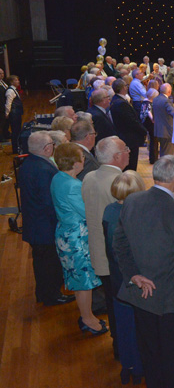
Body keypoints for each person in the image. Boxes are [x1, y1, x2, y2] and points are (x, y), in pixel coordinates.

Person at [113, 156, 174, 388]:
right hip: (171, 299)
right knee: (173, 354)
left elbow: (119, 243)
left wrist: (133, 275)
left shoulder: (132, 201)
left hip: (141, 295)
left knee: (150, 350)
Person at [50, 143, 108, 335]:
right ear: (75, 163)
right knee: (84, 282)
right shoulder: (73, 186)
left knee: (77, 279)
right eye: (82, 158)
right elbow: (87, 213)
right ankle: (87, 318)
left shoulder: (59, 178)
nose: (84, 160)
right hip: (77, 239)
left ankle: (87, 315)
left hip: (66, 234)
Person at [82, 136, 130, 354]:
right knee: (125, 305)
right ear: (117, 156)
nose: (129, 151)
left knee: (112, 303)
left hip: (98, 252)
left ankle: (118, 342)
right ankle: (126, 349)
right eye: (125, 148)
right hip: (118, 257)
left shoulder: (90, 177)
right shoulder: (122, 183)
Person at [102, 170, 146, 385]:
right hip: (135, 282)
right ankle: (139, 369)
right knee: (139, 328)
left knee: (123, 327)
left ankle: (126, 367)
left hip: (116, 280)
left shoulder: (109, 211)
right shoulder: (136, 215)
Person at [18, 132, 72, 306]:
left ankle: (43, 293)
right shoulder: (43, 169)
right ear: (47, 148)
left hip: (35, 224)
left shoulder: (29, 163)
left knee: (41, 263)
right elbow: (49, 202)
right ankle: (51, 296)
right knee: (49, 264)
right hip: (44, 227)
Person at [110, 79, 148, 171]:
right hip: (129, 137)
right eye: (126, 86)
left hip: (125, 135)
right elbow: (131, 121)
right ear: (123, 88)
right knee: (131, 164)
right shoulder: (121, 103)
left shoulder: (116, 99)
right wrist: (143, 130)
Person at [152, 83, 174, 157]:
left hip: (158, 129)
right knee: (168, 153)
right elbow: (173, 113)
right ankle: (166, 168)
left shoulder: (155, 99)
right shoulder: (166, 101)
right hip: (167, 130)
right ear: (169, 92)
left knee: (163, 151)